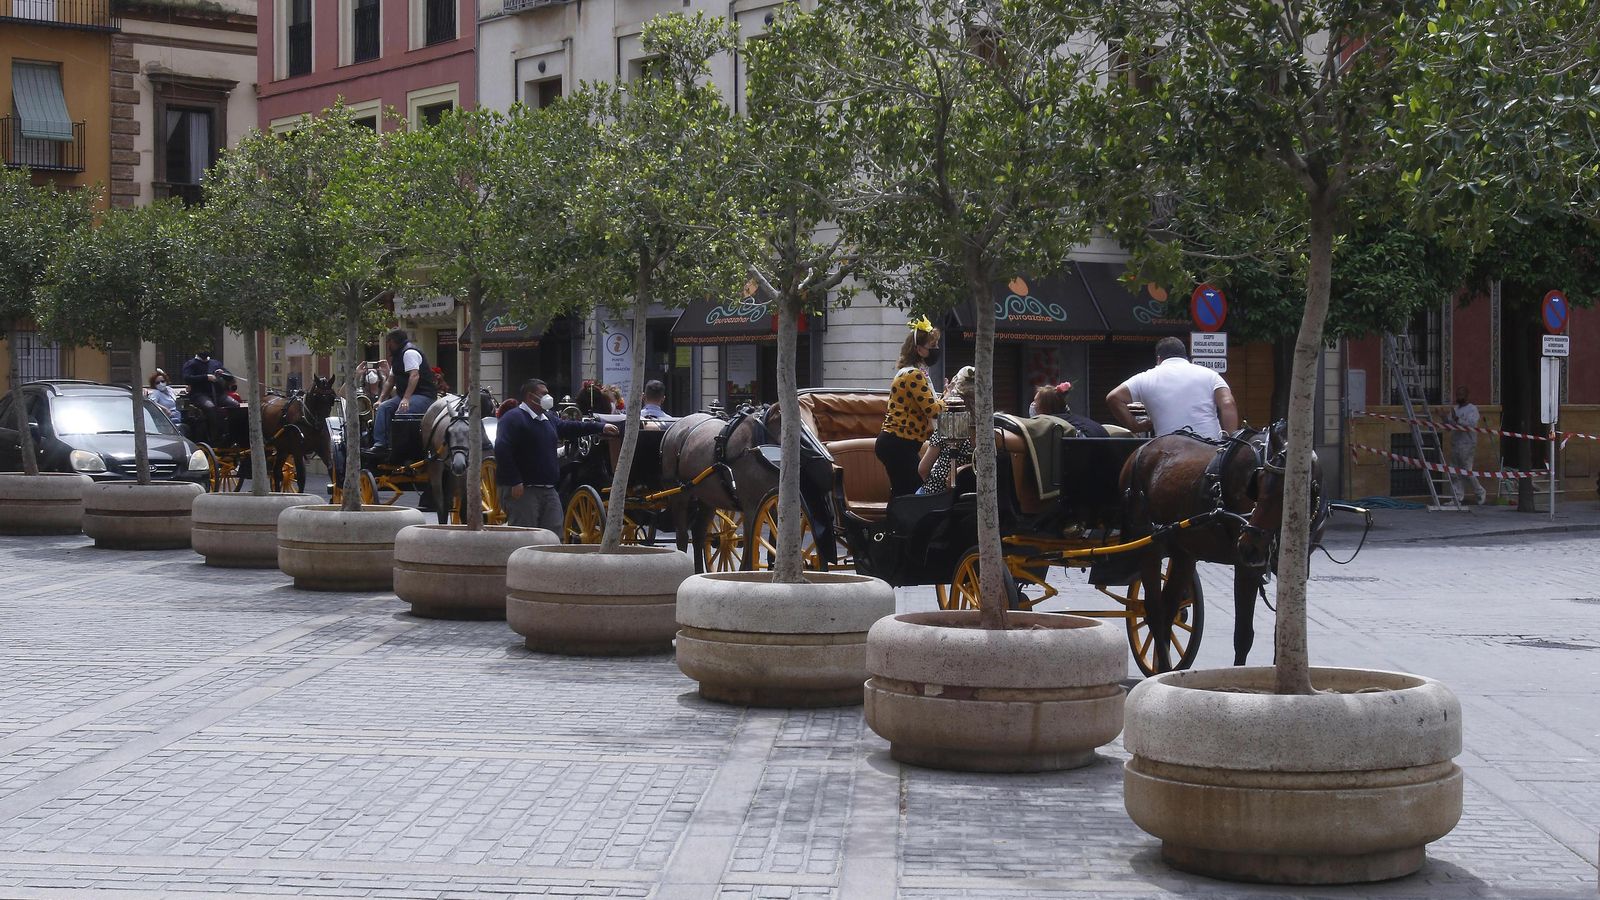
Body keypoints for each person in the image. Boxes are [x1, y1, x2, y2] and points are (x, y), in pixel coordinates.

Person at [494, 378, 617, 531]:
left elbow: (570, 427)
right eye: (544, 393)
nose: (548, 397)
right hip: (524, 490)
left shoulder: (548, 418)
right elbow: (502, 449)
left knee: (554, 533)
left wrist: (601, 427)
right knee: (526, 535)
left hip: (548, 489)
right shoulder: (512, 418)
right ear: (531, 396)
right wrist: (514, 480)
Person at [1106, 336, 1239, 439]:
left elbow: (1113, 397)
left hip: (1167, 449)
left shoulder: (1145, 378)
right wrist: (1230, 441)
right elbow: (1228, 403)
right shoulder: (1211, 375)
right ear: (1185, 357)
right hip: (1210, 446)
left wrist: (1135, 426)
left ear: (1158, 359)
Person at [876, 317, 945, 497]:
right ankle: (897, 525)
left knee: (904, 490)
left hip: (899, 442)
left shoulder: (911, 372)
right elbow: (933, 410)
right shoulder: (913, 375)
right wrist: (951, 399)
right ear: (919, 349)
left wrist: (943, 397)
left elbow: (928, 404)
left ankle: (895, 524)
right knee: (910, 492)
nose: (936, 350)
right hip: (898, 443)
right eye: (933, 346)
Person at [372, 329, 438, 452]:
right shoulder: (397, 357)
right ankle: (380, 444)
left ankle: (403, 449)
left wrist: (406, 399)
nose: (388, 346)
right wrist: (380, 400)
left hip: (424, 395)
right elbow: (390, 381)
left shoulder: (409, 353)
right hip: (404, 396)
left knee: (402, 412)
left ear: (393, 341)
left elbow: (414, 376)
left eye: (388, 342)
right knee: (384, 408)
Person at [917, 367, 977, 495]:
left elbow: (923, 469)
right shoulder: (987, 429)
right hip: (970, 492)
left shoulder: (947, 426)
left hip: (938, 493)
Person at [181, 348, 239, 443]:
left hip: (219, 394)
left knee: (235, 405)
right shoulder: (190, 364)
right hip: (199, 395)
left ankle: (232, 433)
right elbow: (187, 378)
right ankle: (214, 437)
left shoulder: (215, 363)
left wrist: (223, 373)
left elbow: (230, 377)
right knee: (210, 407)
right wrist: (206, 377)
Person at [1445, 385, 1488, 505]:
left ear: (1467, 395)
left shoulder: (1472, 409)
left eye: (1461, 395)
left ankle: (1480, 492)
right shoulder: (1455, 409)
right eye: (1457, 395)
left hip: (1467, 444)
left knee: (1467, 471)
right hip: (1455, 444)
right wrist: (1444, 417)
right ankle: (1457, 497)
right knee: (1454, 472)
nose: (1458, 397)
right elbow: (1449, 426)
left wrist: (1457, 419)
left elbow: (1471, 424)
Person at [1031, 382, 1108, 437]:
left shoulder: (1051, 424)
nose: (1033, 405)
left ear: (1044, 407)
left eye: (1035, 401)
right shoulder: (1074, 420)